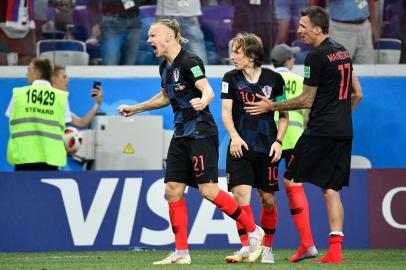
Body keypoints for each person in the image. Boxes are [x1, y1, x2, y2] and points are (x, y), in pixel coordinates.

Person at [117, 18, 264, 265]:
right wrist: (136, 108)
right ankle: (182, 252)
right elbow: (165, 96)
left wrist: (204, 100)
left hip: (201, 132)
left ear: (168, 37)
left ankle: (253, 231)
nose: (149, 40)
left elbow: (207, 89)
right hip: (182, 133)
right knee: (172, 190)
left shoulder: (190, 61)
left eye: (153, 35)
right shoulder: (164, 67)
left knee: (208, 191)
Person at [245, 6, 363, 264]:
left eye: (303, 26)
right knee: (330, 189)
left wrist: (271, 106)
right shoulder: (342, 51)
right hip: (343, 130)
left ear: (317, 29)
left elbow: (307, 100)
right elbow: (358, 93)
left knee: (289, 178)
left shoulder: (316, 57)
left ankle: (307, 244)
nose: (298, 31)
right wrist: (341, 116)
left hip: (320, 131)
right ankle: (335, 250)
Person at [221, 32, 288, 264]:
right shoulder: (230, 78)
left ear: (251, 55)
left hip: (266, 148)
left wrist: (279, 142)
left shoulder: (274, 79)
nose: (232, 57)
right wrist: (235, 137)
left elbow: (284, 116)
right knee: (240, 198)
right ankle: (248, 244)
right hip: (239, 148)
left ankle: (267, 246)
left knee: (267, 200)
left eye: (236, 52)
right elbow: (225, 113)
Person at [270, 43, 317, 263]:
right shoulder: (300, 81)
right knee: (295, 187)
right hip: (296, 138)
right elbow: (310, 112)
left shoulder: (266, 80)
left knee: (265, 192)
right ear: (289, 61)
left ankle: (261, 247)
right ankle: (307, 242)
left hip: (272, 139)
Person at [5, 58, 71, 170]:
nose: (27, 74)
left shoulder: (18, 95)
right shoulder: (61, 98)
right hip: (50, 160)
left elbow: (11, 119)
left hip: (23, 158)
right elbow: (65, 126)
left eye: (29, 70)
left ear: (37, 74)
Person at [86, 0, 154, 65]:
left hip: (134, 24)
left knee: (129, 66)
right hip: (112, 24)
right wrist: (95, 23)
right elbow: (92, 3)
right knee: (110, 65)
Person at [311, 0, 379, 64]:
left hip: (364, 27)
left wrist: (373, 24)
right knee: (339, 68)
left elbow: (370, 2)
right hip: (341, 29)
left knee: (367, 68)